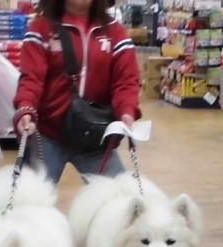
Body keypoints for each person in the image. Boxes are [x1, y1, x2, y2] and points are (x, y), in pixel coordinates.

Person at [13, 0, 141, 182]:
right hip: (48, 136)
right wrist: (25, 107)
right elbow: (31, 77)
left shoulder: (116, 32)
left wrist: (126, 111)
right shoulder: (41, 28)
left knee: (119, 201)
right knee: (29, 203)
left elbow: (126, 81)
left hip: (95, 137)